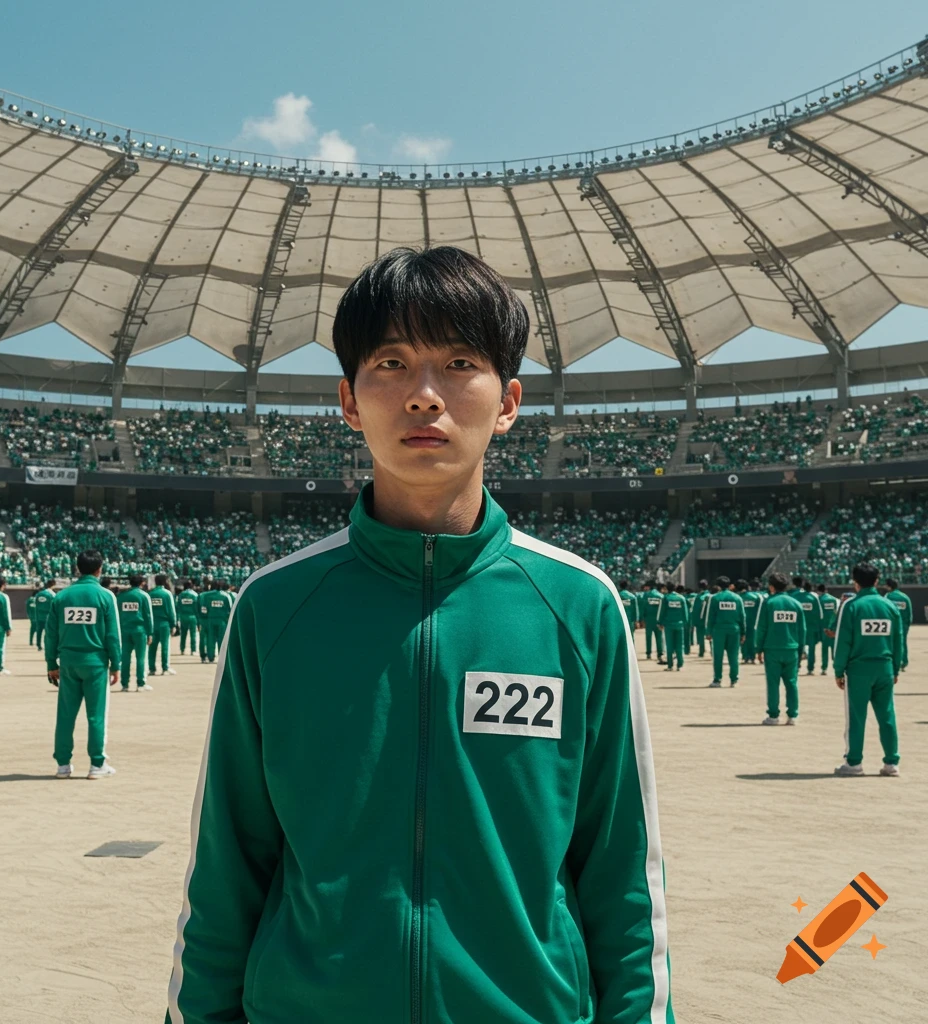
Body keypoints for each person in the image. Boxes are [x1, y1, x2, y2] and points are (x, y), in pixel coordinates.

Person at [165, 245, 673, 1024]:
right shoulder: (274, 606)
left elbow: (622, 878)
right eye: (391, 363)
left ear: (508, 400)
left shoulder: (580, 606)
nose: (424, 396)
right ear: (347, 398)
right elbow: (227, 868)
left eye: (460, 362)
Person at [45, 550, 121, 780]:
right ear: (100, 569)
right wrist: (116, 664)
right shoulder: (106, 596)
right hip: (96, 663)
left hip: (68, 662)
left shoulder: (61, 597)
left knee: (66, 714)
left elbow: (50, 634)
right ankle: (97, 764)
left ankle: (63, 765)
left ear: (78, 568)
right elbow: (112, 636)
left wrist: (51, 663)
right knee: (96, 715)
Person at [832, 562, 902, 777]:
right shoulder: (890, 606)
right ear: (877, 580)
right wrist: (896, 669)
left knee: (856, 717)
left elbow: (843, 641)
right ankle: (891, 763)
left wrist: (838, 669)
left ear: (854, 582)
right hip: (885, 667)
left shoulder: (851, 606)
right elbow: (897, 641)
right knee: (887, 715)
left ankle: (854, 763)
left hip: (859, 669)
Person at [753, 572, 805, 725]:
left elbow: (761, 628)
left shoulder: (768, 603)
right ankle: (792, 716)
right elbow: (802, 630)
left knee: (773, 683)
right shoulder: (796, 604)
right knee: (792, 683)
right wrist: (801, 650)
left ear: (771, 587)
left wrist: (758, 649)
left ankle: (774, 715)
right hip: (792, 649)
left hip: (772, 649)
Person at [705, 575, 745, 687]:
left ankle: (717, 680)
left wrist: (708, 632)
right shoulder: (737, 598)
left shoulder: (715, 598)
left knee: (718, 656)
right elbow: (742, 617)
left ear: (718, 585)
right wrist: (743, 633)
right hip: (734, 629)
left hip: (719, 630)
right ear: (730, 585)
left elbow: (711, 616)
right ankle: (734, 680)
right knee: (733, 655)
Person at [118, 573, 154, 691]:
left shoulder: (121, 596)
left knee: (125, 658)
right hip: (139, 630)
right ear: (142, 583)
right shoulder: (144, 596)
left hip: (124, 630)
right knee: (141, 658)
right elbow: (148, 615)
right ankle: (140, 683)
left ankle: (124, 684)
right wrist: (150, 632)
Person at [148, 573, 178, 676]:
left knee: (152, 647)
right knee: (165, 646)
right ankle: (165, 668)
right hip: (164, 624)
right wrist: (173, 624)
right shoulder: (167, 594)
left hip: (152, 624)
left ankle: (152, 668)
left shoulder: (150, 594)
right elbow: (171, 610)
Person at [795, 578, 824, 676]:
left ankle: (797, 666)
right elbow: (820, 615)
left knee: (798, 647)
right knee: (811, 649)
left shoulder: (796, 597)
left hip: (798, 628)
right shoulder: (814, 598)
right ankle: (810, 668)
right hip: (811, 628)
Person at [657, 582, 688, 671]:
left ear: (667, 589)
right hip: (679, 625)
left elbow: (662, 612)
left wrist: (660, 623)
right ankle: (680, 665)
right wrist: (685, 623)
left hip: (669, 625)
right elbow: (685, 613)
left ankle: (670, 665)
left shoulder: (666, 598)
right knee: (679, 645)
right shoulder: (681, 598)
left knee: (669, 645)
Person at [883, 578, 912, 672]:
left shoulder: (888, 596)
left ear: (889, 586)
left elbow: (884, 611)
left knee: (891, 643)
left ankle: (895, 662)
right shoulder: (905, 597)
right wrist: (907, 625)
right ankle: (904, 661)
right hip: (903, 624)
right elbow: (909, 613)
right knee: (903, 642)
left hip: (891, 624)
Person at [816, 583, 840, 676]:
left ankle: (824, 668)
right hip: (833, 628)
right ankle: (836, 667)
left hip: (824, 628)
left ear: (819, 591)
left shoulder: (820, 600)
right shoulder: (834, 599)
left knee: (824, 649)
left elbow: (819, 615)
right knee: (834, 649)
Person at [639, 578, 666, 663]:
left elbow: (643, 608)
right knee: (659, 637)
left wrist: (642, 619)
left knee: (648, 637)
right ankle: (660, 653)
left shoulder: (646, 595)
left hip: (648, 619)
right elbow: (663, 610)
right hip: (658, 620)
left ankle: (648, 653)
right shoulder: (661, 596)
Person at [739, 579, 763, 664]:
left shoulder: (740, 597)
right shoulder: (757, 597)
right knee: (752, 640)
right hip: (755, 622)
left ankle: (745, 656)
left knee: (743, 639)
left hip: (743, 622)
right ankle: (752, 657)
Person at [177, 579, 200, 655]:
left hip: (183, 616)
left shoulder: (181, 595)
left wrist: (178, 619)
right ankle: (193, 650)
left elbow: (178, 607)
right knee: (193, 634)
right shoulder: (195, 595)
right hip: (193, 617)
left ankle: (182, 649)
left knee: (183, 634)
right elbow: (197, 608)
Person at [34, 579, 58, 650]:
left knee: (39, 631)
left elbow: (36, 605)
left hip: (39, 616)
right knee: (48, 632)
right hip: (48, 616)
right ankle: (47, 645)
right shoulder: (53, 594)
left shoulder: (38, 594)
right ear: (53, 585)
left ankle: (38, 645)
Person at [197, 575, 214, 663]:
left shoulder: (201, 595)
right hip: (209, 619)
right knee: (210, 638)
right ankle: (209, 655)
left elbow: (197, 609)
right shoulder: (212, 595)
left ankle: (203, 656)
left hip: (203, 619)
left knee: (203, 638)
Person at [691, 579, 710, 657]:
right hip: (709, 619)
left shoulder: (698, 597)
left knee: (701, 637)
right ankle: (712, 652)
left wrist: (694, 621)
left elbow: (695, 610)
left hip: (700, 620)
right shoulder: (711, 595)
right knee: (711, 635)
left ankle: (701, 652)